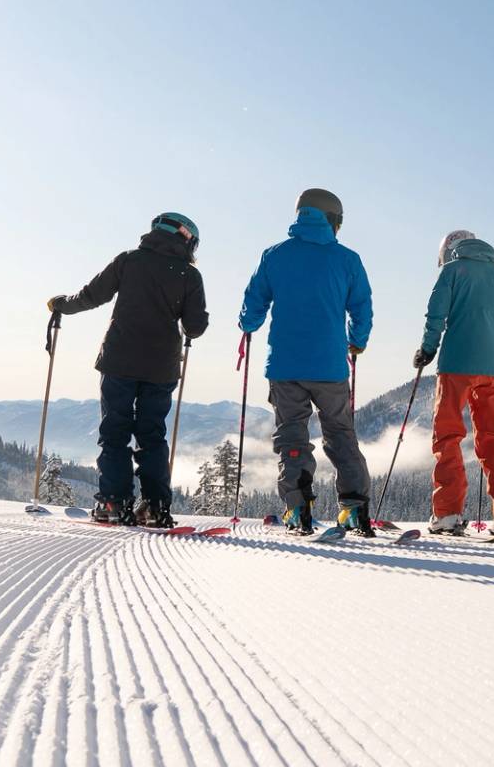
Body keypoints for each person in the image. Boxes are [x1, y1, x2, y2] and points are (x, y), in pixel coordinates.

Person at [48, 212, 209, 526]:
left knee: (115, 432)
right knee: (152, 435)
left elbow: (91, 296)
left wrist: (60, 304)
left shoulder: (129, 261)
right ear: (187, 239)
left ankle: (113, 502)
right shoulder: (189, 275)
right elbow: (195, 327)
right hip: (161, 366)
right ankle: (156, 506)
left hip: (119, 359)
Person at [240, 188, 374, 536]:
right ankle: (355, 509)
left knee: (292, 440)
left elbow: (254, 300)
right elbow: (361, 307)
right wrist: (357, 342)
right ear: (333, 220)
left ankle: (298, 510)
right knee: (341, 435)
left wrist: (247, 325)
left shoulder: (275, 255)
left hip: (285, 367)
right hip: (330, 366)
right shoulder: (347, 259)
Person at [415, 229, 494, 534]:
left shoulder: (451, 271)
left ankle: (448, 514)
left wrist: (427, 349)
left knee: (447, 436)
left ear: (449, 251)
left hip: (456, 366)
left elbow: (435, 316)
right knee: (492, 438)